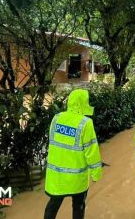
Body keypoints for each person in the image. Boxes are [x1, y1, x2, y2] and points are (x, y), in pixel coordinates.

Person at [44, 89, 102, 219]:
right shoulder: (86, 123)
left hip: (56, 177)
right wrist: (96, 173)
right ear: (83, 103)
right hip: (77, 178)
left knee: (52, 206)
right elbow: (91, 151)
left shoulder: (56, 118)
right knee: (78, 207)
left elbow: (53, 144)